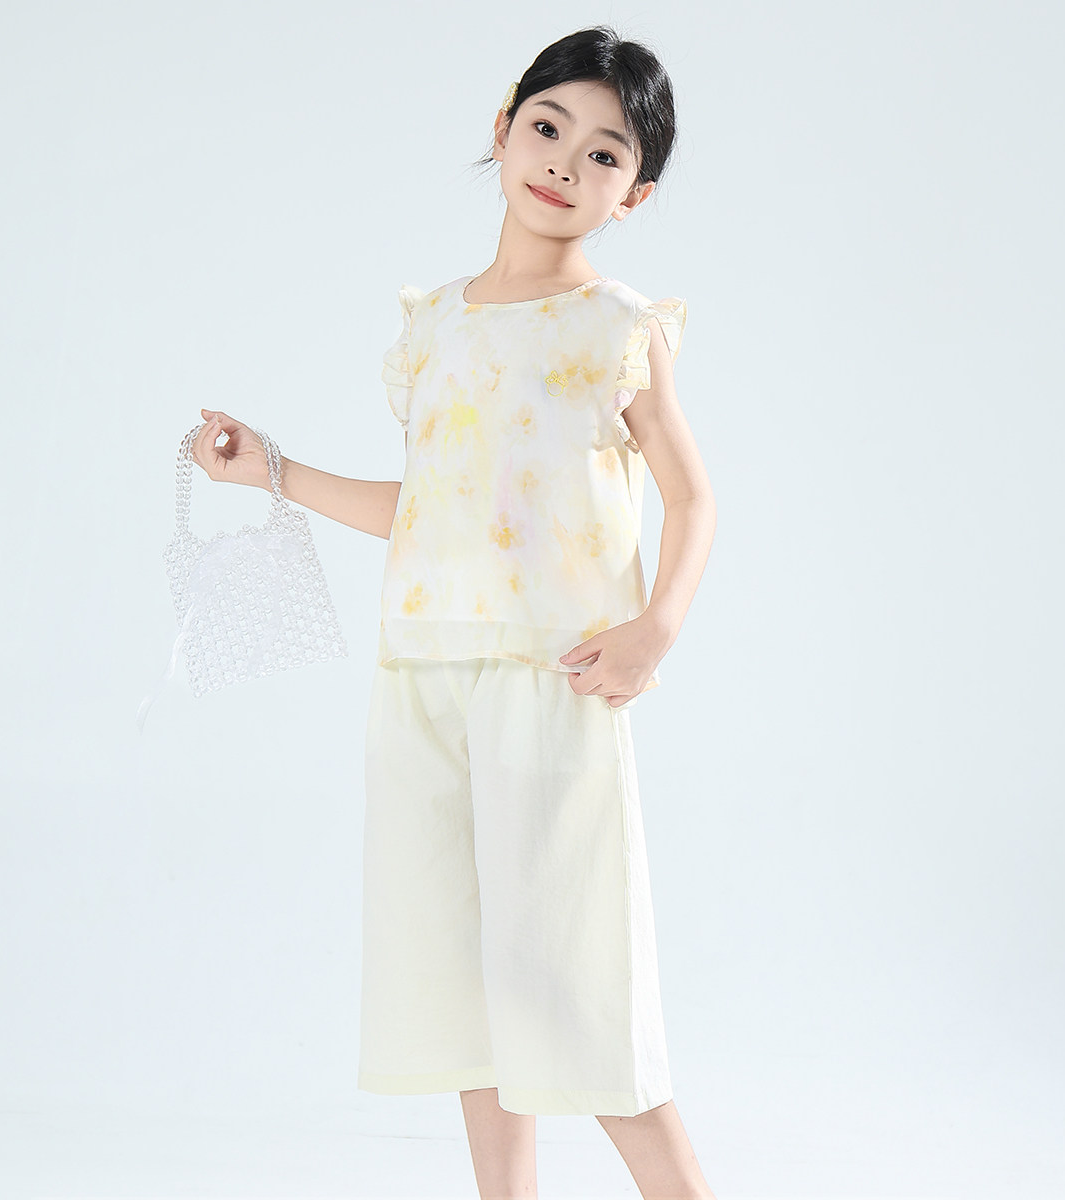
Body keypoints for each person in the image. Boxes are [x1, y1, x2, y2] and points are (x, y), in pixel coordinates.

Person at [189, 23, 717, 1200]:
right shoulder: (433, 325)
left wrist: (656, 627)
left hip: (551, 678)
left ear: (634, 194)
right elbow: (428, 509)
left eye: (604, 154)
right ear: (503, 128)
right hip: (421, 677)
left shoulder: (617, 328)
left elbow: (693, 496)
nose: (565, 163)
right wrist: (273, 471)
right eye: (548, 127)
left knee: (580, 990)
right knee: (472, 994)